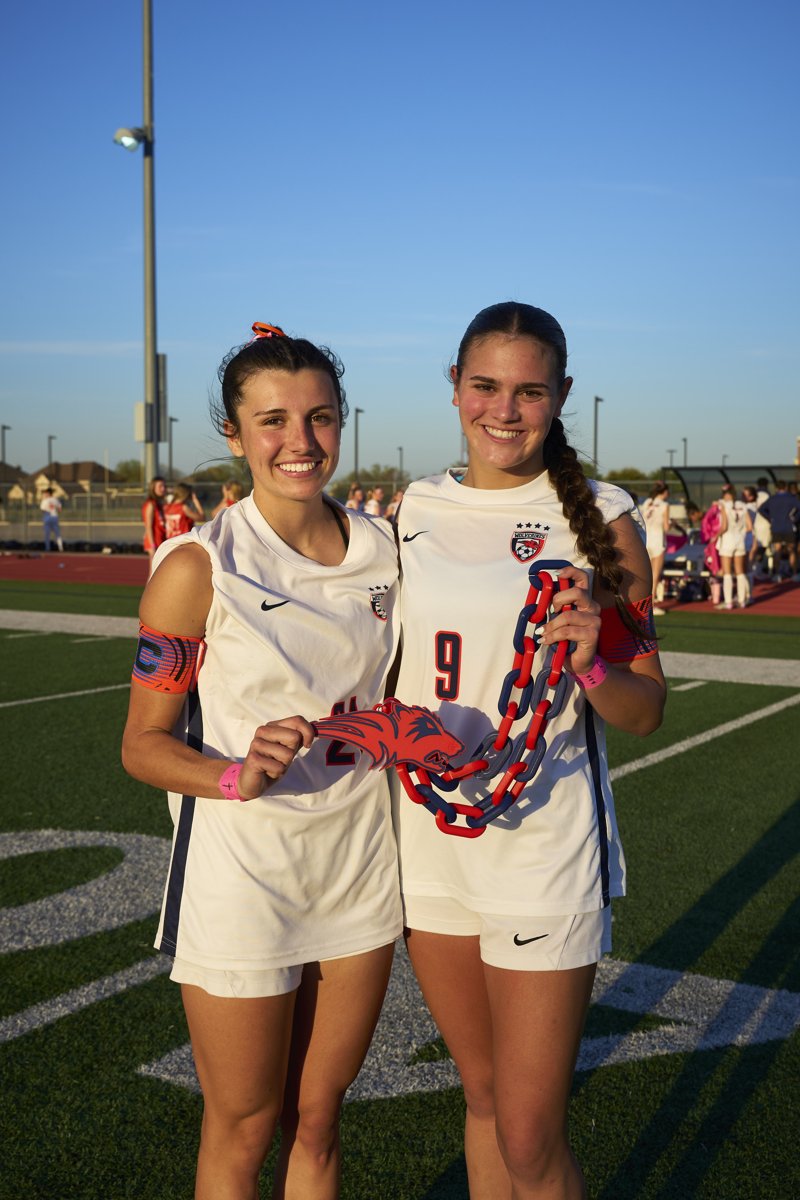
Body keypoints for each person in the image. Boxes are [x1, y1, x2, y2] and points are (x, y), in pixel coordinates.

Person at [121, 321, 401, 1200]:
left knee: (318, 1120)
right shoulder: (197, 567)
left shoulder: (386, 553)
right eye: (273, 420)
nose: (300, 442)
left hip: (360, 867)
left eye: (320, 418)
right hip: (244, 879)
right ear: (234, 434)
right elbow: (143, 745)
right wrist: (236, 775)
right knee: (242, 1129)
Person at [392, 302, 666, 1200]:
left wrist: (593, 666)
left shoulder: (607, 523)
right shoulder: (414, 507)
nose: (503, 410)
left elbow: (645, 710)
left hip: (544, 849)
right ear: (455, 386)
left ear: (562, 398)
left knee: (527, 1131)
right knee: (478, 1094)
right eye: (485, 386)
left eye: (529, 391)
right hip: (431, 843)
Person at [715, 485, 752, 609]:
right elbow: (749, 527)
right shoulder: (743, 506)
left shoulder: (724, 506)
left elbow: (724, 526)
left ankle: (729, 601)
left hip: (727, 541)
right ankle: (742, 601)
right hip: (740, 541)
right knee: (740, 572)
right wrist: (740, 532)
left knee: (727, 573)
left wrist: (715, 536)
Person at [640, 481, 670, 615]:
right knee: (655, 574)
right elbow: (666, 527)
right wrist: (672, 523)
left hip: (646, 539)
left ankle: (643, 603)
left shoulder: (647, 502)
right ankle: (651, 606)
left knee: (646, 574)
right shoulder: (665, 505)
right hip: (658, 540)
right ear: (664, 492)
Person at [758, 480, 798, 581]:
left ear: (776, 488)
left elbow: (761, 509)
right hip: (789, 527)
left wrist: (770, 518)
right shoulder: (791, 498)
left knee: (777, 551)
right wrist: (795, 518)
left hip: (776, 527)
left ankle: (777, 574)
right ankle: (794, 573)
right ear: (785, 487)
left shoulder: (772, 499)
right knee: (792, 550)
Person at [142, 476, 167, 572]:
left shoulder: (159, 504)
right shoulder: (150, 504)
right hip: (154, 542)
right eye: (160, 486)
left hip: (160, 540)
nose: (163, 489)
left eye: (164, 486)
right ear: (153, 488)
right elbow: (148, 526)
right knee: (154, 573)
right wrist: (152, 546)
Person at [40, 487, 64, 552]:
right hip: (55, 518)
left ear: (48, 493)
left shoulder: (44, 500)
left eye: (45, 493)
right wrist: (55, 510)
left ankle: (47, 548)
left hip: (47, 518)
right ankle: (60, 547)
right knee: (57, 534)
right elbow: (60, 509)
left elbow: (42, 510)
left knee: (47, 534)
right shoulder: (55, 500)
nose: (44, 494)